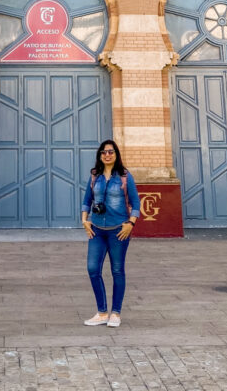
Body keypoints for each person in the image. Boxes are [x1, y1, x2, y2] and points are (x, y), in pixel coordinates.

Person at [81, 138, 140, 329]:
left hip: (118, 231)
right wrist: (84, 220)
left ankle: (115, 313)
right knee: (92, 269)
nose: (107, 155)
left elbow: (136, 203)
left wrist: (131, 223)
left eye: (111, 152)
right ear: (100, 155)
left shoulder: (124, 176)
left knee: (117, 270)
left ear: (116, 155)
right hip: (97, 230)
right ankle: (101, 312)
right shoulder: (94, 176)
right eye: (104, 152)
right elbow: (87, 200)